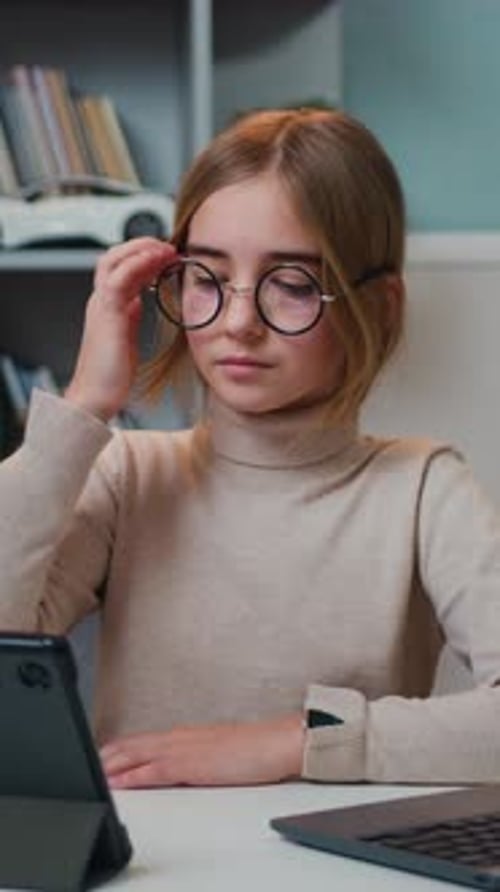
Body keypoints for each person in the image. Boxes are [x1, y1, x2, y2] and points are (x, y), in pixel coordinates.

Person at [1, 107, 500, 790]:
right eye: (206, 279)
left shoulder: (423, 488)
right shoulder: (130, 472)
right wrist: (84, 407)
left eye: (291, 285)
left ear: (380, 306)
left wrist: (295, 742)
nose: (237, 323)